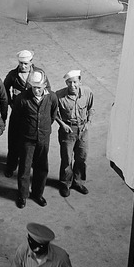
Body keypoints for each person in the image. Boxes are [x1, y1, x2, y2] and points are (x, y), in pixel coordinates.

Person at [10, 70, 58, 208]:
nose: (37, 90)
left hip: (43, 138)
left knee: (42, 167)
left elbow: (52, 116)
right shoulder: (22, 99)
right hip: (27, 139)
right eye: (34, 87)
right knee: (25, 167)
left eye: (39, 87)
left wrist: (43, 129)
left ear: (45, 85)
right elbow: (15, 121)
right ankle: (22, 195)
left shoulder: (52, 98)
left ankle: (37, 193)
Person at [3, 50, 51, 178]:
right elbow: (4, 89)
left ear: (31, 62)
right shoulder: (13, 75)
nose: (23, 66)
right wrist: (11, 103)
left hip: (34, 114)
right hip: (18, 114)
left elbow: (48, 92)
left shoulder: (39, 74)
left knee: (32, 142)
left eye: (25, 63)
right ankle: (11, 165)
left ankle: (33, 164)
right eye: (20, 63)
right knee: (13, 141)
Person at [55, 69, 94, 197]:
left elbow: (91, 108)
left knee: (81, 157)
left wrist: (88, 122)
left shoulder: (87, 92)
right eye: (69, 82)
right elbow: (54, 113)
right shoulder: (59, 96)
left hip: (83, 130)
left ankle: (78, 182)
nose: (73, 85)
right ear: (66, 83)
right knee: (67, 159)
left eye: (75, 82)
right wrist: (63, 124)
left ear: (80, 81)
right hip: (68, 131)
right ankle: (65, 183)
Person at [9, 222, 74, 267]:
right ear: (28, 240)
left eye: (41, 246)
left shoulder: (61, 259)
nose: (37, 249)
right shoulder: (22, 249)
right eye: (34, 245)